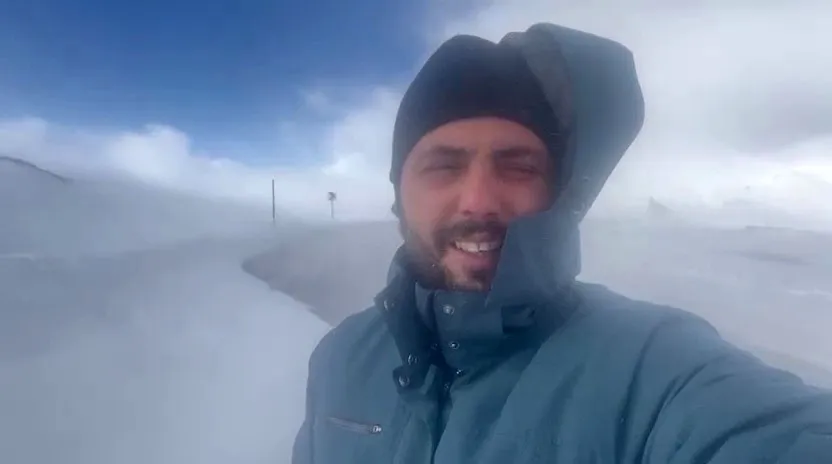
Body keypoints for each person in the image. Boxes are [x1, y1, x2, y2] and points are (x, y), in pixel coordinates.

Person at [292, 23, 832, 463]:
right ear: (399, 193)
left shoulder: (652, 368)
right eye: (444, 166)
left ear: (556, 193)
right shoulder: (342, 358)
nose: (478, 200)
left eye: (517, 166)